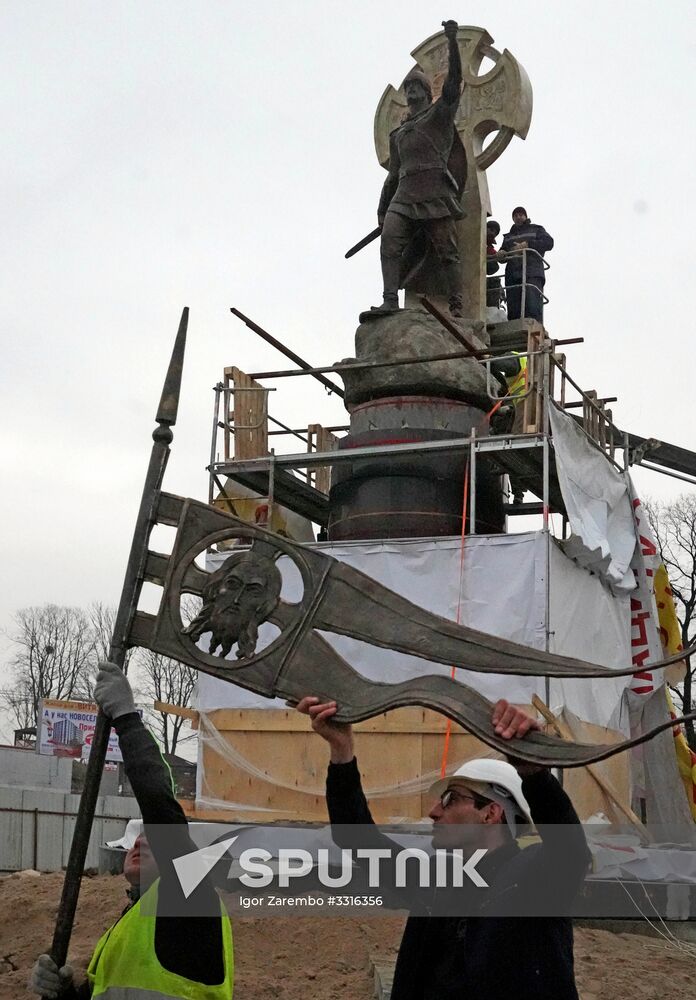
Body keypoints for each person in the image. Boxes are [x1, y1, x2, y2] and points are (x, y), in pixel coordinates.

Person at [296, 695, 590, 1000]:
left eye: (450, 799)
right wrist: (342, 749)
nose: (434, 811)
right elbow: (357, 839)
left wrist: (535, 774)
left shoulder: (534, 879)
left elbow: (569, 850)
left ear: (491, 813)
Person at [29, 663, 234, 999]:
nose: (141, 840)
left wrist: (126, 718)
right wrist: (63, 993)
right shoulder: (131, 924)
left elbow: (160, 805)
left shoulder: (190, 903)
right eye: (137, 837)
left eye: (151, 836)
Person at [372, 19, 466, 317]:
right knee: (389, 243)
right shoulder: (399, 133)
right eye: (408, 86)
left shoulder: (439, 116)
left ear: (426, 92)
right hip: (404, 194)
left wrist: (452, 41)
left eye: (416, 86)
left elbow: (452, 87)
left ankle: (456, 305)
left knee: (447, 252)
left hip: (434, 191)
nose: (410, 90)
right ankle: (389, 299)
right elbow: (393, 174)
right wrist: (382, 208)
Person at [501, 207, 554, 323]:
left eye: (521, 215)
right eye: (515, 215)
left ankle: (534, 326)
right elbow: (503, 253)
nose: (518, 217)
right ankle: (514, 325)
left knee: (532, 302)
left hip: (532, 271)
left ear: (525, 216)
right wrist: (501, 253)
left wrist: (528, 244)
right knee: (514, 305)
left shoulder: (536, 229)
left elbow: (549, 243)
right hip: (513, 273)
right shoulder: (508, 237)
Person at [486, 219, 503, 310]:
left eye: (495, 233)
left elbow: (494, 254)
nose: (493, 234)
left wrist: (500, 255)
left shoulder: (489, 247)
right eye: (491, 230)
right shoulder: (475, 237)